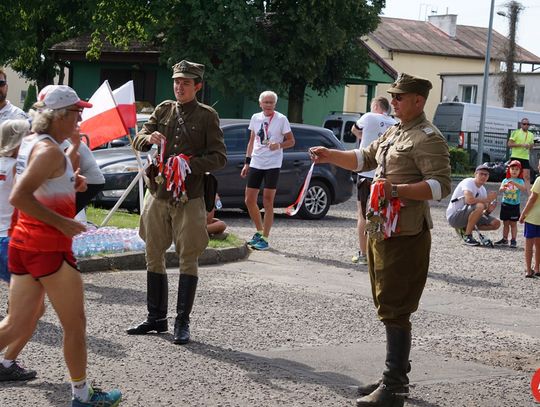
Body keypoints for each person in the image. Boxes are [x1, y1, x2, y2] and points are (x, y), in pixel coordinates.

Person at [310, 73, 451, 407]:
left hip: (406, 232)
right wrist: (332, 154)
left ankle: (395, 387)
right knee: (385, 300)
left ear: (418, 100)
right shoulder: (394, 131)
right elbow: (364, 159)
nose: (395, 101)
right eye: (394, 96)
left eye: (400, 97)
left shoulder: (428, 137)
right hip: (383, 228)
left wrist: (397, 190)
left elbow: (440, 186)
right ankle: (394, 370)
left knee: (396, 305)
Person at [0, 85, 122, 406]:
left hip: (24, 244)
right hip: (48, 246)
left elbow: (42, 180)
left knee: (16, 324)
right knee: (75, 324)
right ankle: (82, 396)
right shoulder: (49, 151)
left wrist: (71, 180)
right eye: (76, 112)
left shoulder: (34, 143)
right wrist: (62, 223)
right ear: (58, 116)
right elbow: (19, 195)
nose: (80, 117)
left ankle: (82, 394)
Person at [128, 60, 227, 345]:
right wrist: (148, 139)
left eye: (185, 82)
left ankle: (182, 322)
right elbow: (139, 138)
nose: (179, 86)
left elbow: (219, 157)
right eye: (176, 81)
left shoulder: (207, 116)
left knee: (188, 256)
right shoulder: (163, 109)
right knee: (153, 252)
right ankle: (155, 318)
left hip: (190, 195)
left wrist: (187, 164)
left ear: (198, 86)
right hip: (158, 193)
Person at [0, 119, 40, 383]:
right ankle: (6, 362)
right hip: (11, 242)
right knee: (31, 310)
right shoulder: (20, 168)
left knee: (25, 308)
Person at [240, 90, 295, 251]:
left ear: (275, 104)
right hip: (257, 161)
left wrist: (278, 145)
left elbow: (291, 141)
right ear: (260, 104)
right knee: (249, 200)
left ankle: (265, 237)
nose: (269, 105)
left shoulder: (281, 119)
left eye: (271, 102)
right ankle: (259, 231)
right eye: (266, 102)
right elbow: (252, 141)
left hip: (273, 164)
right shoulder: (255, 118)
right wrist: (247, 163)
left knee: (267, 201)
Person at [350, 97, 396, 265]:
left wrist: (363, 137)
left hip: (365, 173)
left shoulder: (369, 116)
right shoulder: (395, 122)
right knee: (383, 213)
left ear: (376, 106)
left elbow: (354, 129)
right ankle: (381, 254)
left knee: (363, 215)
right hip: (385, 174)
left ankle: (363, 254)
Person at [446, 164, 501, 246]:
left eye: (486, 174)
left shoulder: (483, 190)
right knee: (479, 205)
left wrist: (488, 211)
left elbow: (481, 213)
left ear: (488, 177)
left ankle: (465, 228)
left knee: (496, 223)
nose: (483, 176)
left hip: (467, 216)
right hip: (454, 217)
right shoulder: (468, 182)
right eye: (481, 174)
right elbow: (469, 200)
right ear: (475, 174)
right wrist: (487, 200)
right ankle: (467, 236)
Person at [494, 160, 526, 248]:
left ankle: (513, 240)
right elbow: (500, 190)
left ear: (520, 171)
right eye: (512, 169)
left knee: (513, 224)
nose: (514, 171)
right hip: (505, 204)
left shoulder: (520, 181)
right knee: (505, 223)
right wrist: (503, 188)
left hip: (514, 205)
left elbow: (523, 189)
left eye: (517, 169)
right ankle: (504, 239)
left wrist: (515, 183)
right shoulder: (505, 180)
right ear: (509, 170)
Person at [519, 161, 540, 278]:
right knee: (539, 245)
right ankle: (537, 267)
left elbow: (532, 199)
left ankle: (528, 269)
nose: (538, 167)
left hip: (533, 217)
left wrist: (523, 214)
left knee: (529, 245)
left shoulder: (539, 180)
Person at [508, 118, 534, 193]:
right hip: (515, 156)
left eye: (527, 124)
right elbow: (509, 144)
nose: (526, 125)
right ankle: (510, 192)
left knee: (527, 177)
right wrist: (521, 145)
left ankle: (530, 195)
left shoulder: (531, 134)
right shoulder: (516, 132)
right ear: (521, 124)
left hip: (525, 157)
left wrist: (529, 146)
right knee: (513, 175)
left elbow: (532, 146)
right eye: (524, 124)